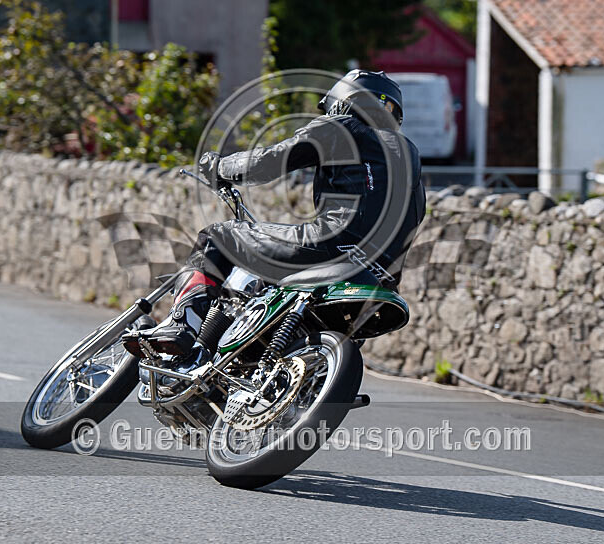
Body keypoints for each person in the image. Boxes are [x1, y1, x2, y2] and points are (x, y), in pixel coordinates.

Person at [123, 70, 425, 359]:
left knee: (217, 237)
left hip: (330, 247)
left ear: (344, 101)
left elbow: (271, 160)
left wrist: (220, 168)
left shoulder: (342, 128)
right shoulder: (411, 160)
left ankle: (182, 323)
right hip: (377, 278)